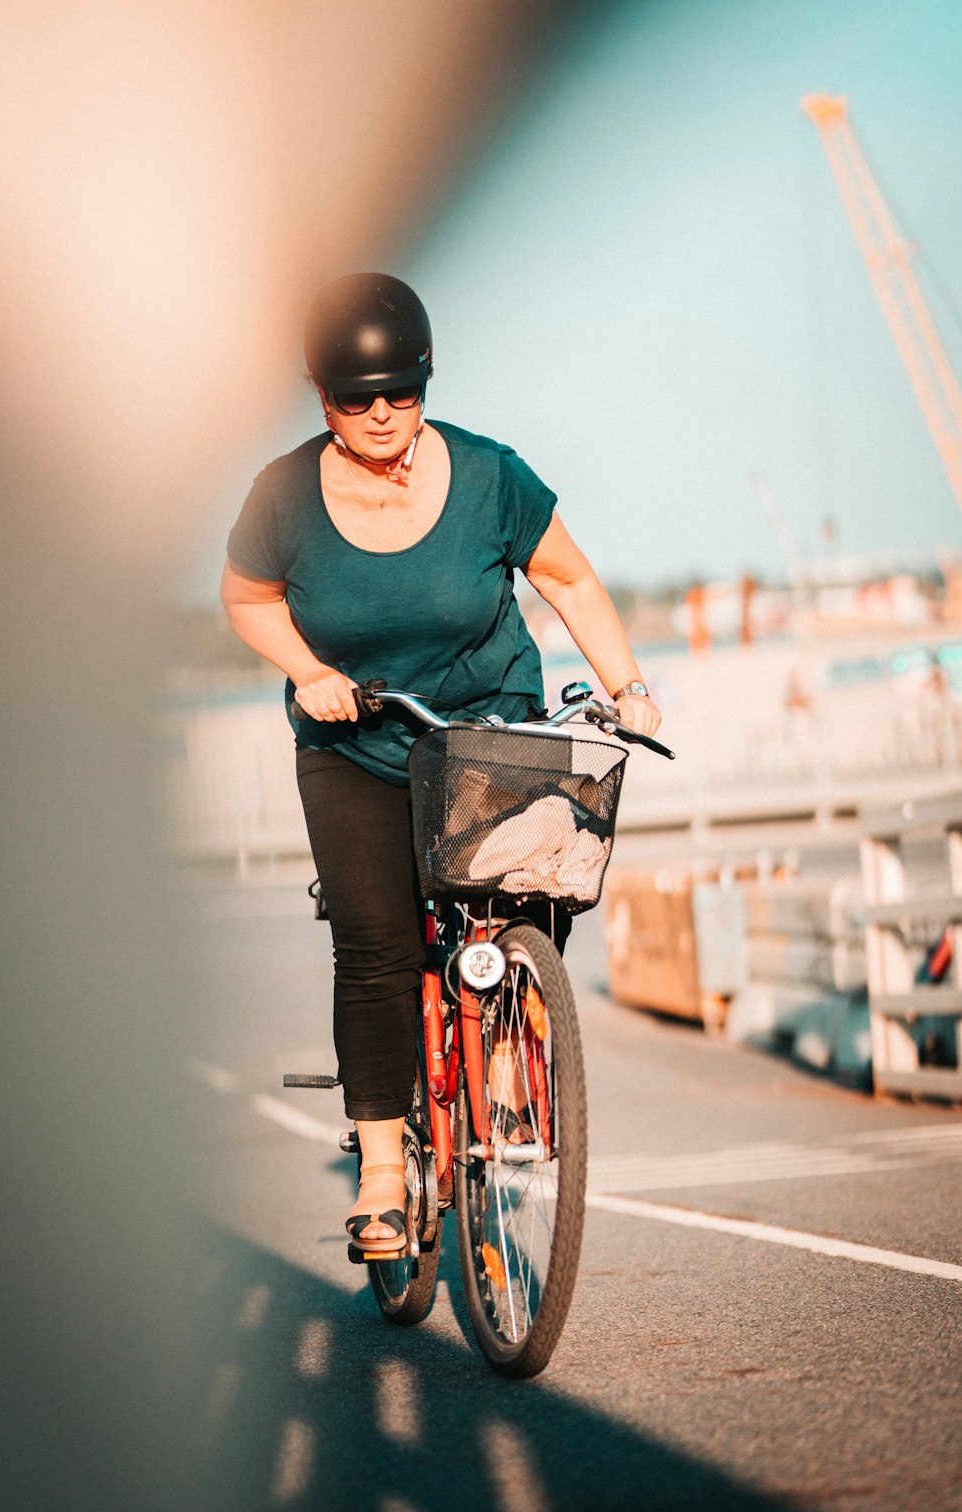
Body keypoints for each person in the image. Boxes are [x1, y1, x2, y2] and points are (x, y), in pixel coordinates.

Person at [221, 272, 661, 1257]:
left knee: (534, 892)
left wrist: (628, 686)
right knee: (376, 949)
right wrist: (307, 669)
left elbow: (569, 580)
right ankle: (383, 1176)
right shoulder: (284, 494)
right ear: (320, 392)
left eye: (400, 394)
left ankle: (510, 1060)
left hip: (484, 732)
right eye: (353, 396)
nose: (379, 414)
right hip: (357, 747)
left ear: (424, 382)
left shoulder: (490, 476)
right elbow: (248, 599)